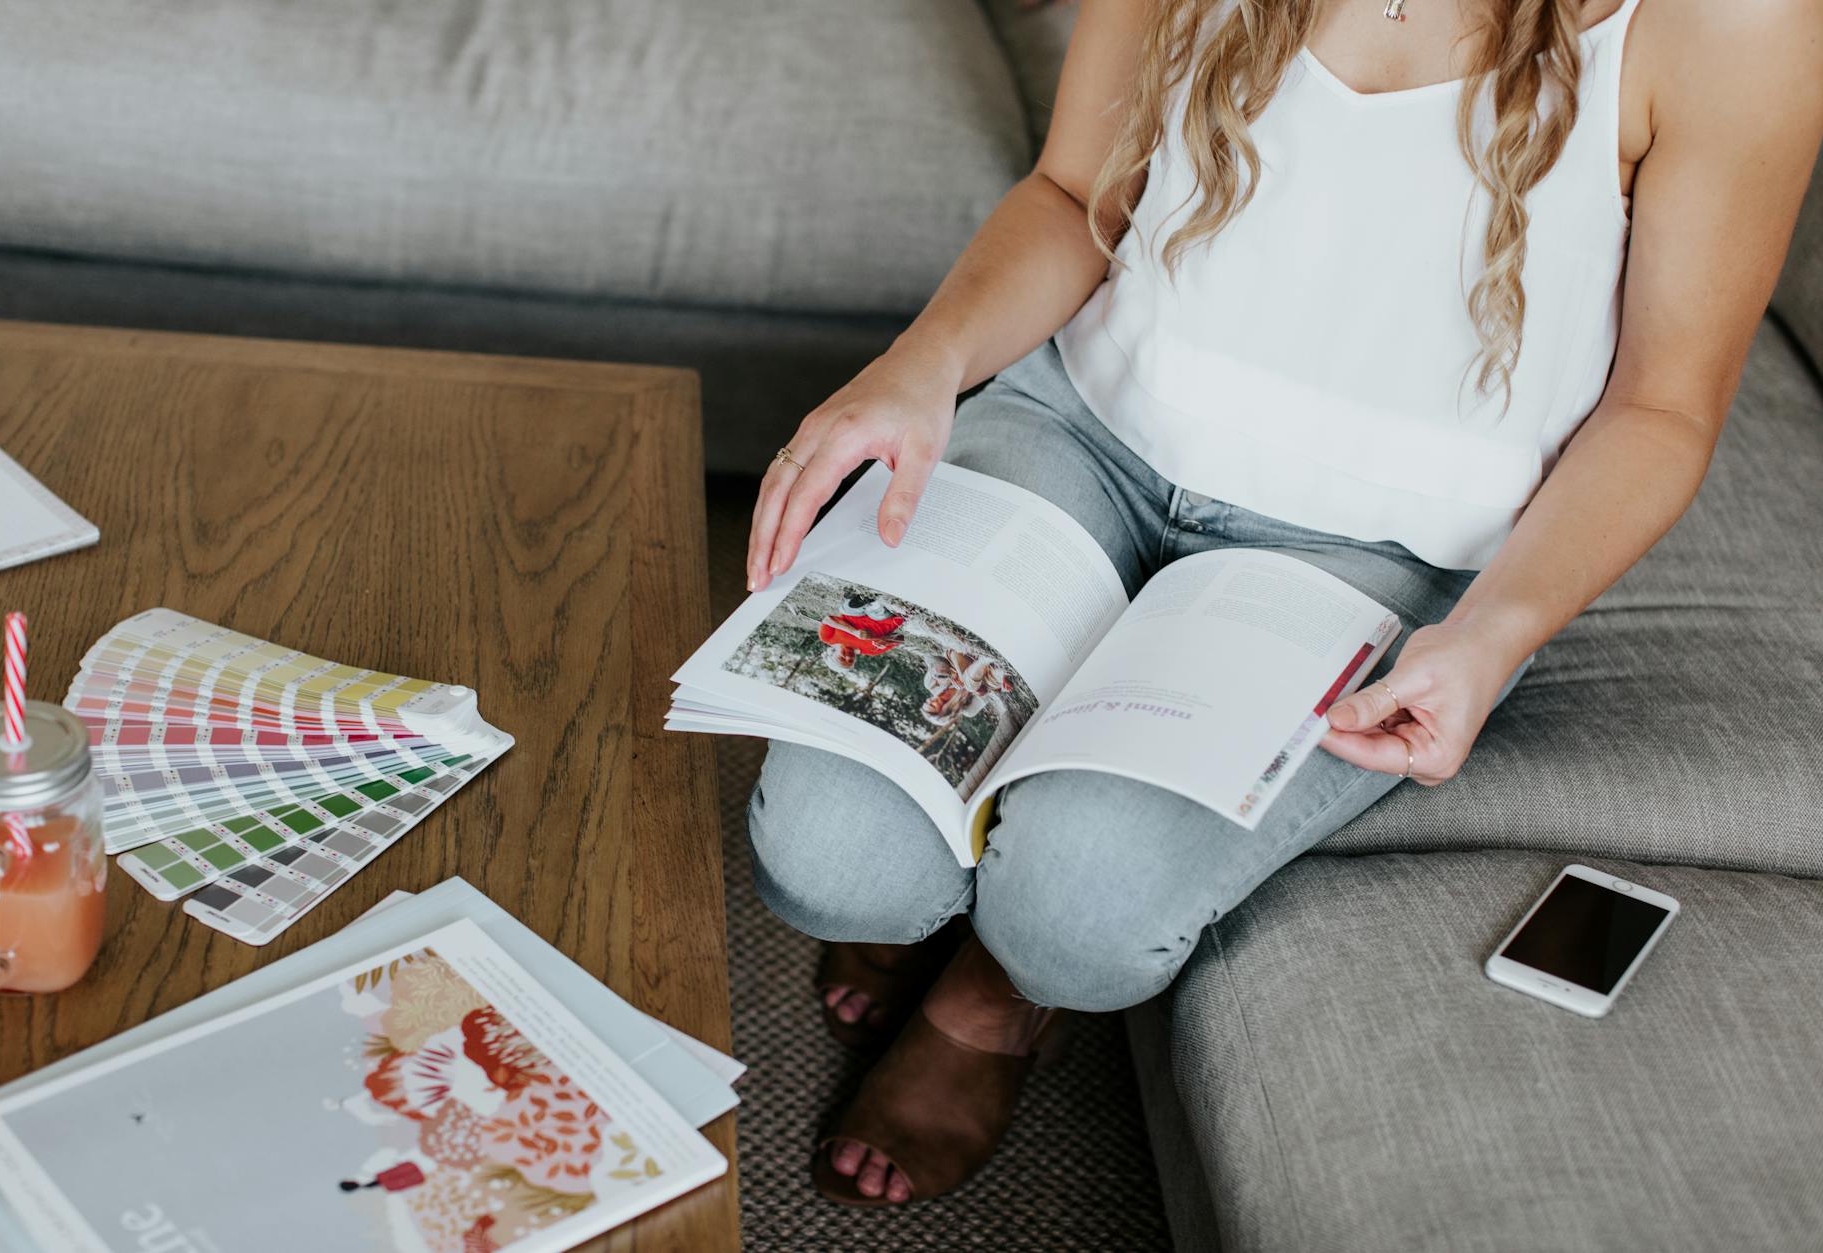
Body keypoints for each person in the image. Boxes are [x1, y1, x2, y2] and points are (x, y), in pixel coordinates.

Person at [740, 0, 1823, 1208]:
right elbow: (1069, 196)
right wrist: (924, 361)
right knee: (826, 861)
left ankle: (996, 989)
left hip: (1387, 554)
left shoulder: (1735, 23)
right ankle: (926, 881)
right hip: (1078, 428)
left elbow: (1662, 406)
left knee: (1078, 921)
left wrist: (1491, 632)